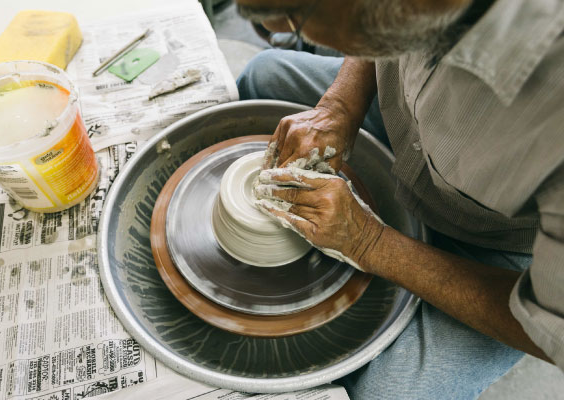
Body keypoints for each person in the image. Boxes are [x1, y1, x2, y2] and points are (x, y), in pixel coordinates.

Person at [234, 0, 564, 398]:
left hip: (497, 241)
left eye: (297, 19)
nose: (287, 29)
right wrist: (340, 106)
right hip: (404, 121)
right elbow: (373, 36)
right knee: (262, 73)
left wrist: (371, 243)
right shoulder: (404, 15)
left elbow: (550, 328)